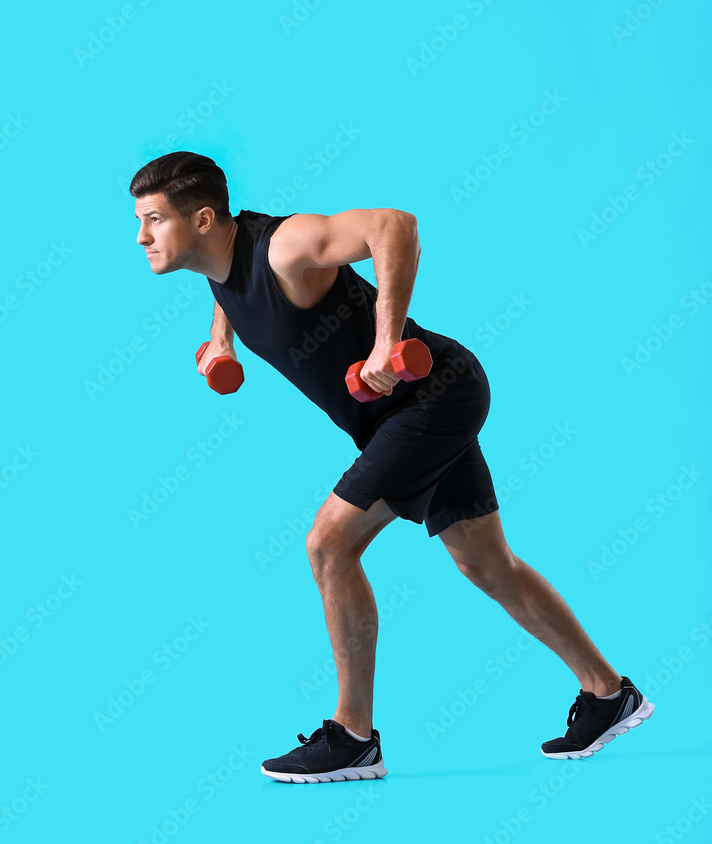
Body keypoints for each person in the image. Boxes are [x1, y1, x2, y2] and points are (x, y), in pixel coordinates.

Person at [131, 150, 654, 784]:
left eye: (154, 221)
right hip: (397, 417)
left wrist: (385, 341)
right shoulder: (217, 262)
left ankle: (353, 737)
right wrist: (222, 337)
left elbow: (394, 226)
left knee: (328, 546)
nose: (142, 236)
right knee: (486, 562)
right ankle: (609, 694)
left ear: (205, 218)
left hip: (433, 395)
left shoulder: (285, 247)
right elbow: (230, 286)